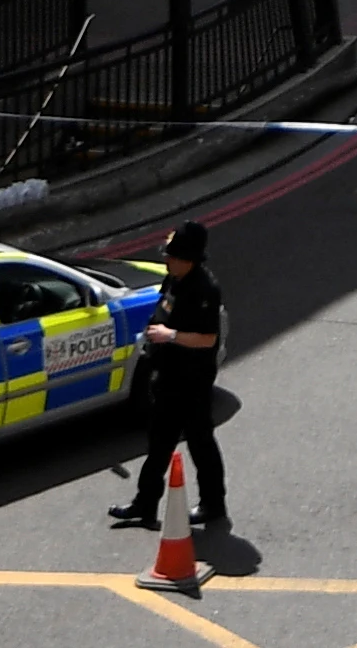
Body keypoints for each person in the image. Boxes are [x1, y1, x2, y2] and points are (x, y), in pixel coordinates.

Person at [112, 219, 230, 538]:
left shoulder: (205, 289)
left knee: (200, 441)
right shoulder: (173, 279)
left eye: (172, 256)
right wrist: (152, 336)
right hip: (168, 376)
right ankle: (145, 503)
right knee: (159, 443)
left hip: (192, 381)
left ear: (189, 259)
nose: (166, 259)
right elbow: (162, 312)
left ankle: (213, 503)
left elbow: (207, 338)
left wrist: (171, 335)